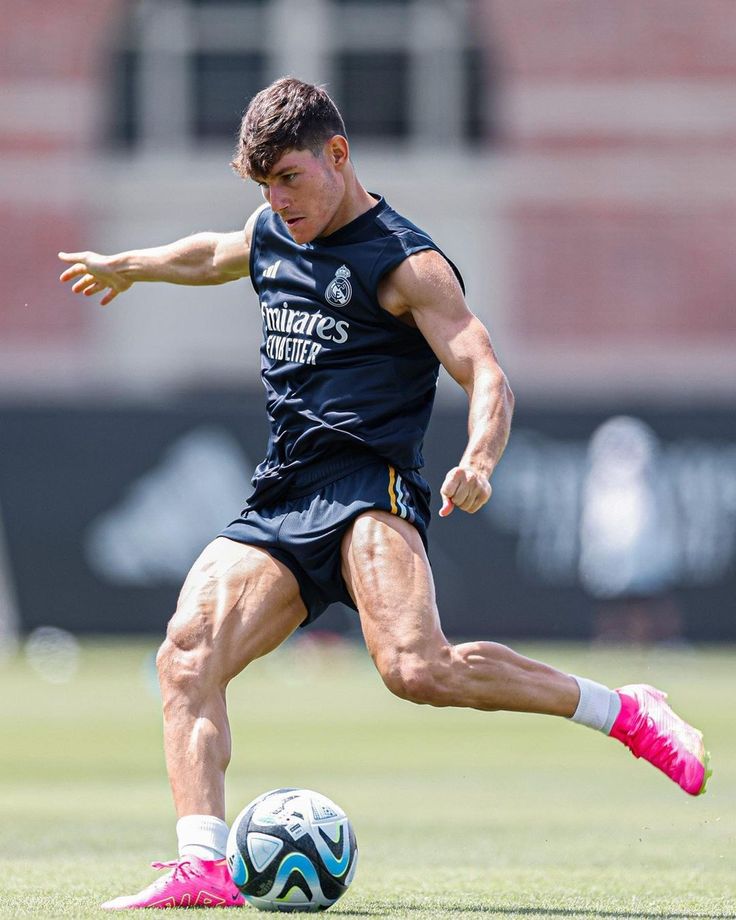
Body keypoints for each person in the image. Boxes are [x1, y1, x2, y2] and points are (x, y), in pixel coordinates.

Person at [59, 78, 710, 911]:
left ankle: (625, 710)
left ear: (338, 155)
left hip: (371, 490)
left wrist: (478, 456)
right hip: (283, 493)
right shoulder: (271, 231)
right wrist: (131, 267)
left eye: (289, 177)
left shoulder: (406, 261)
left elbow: (485, 369)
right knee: (186, 654)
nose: (276, 200)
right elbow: (214, 253)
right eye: (263, 185)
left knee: (416, 669)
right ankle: (203, 868)